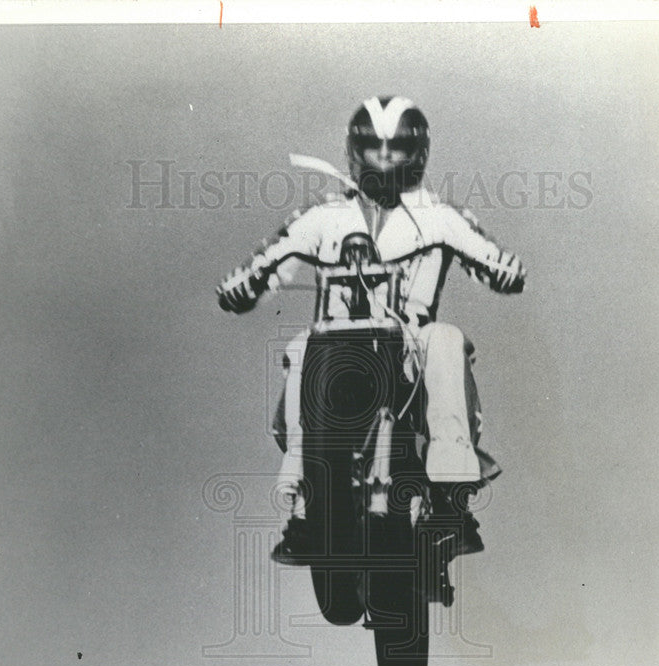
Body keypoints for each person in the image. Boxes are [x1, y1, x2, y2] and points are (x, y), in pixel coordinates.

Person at [217, 96, 526, 563]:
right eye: (372, 147)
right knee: (302, 346)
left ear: (417, 153)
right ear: (353, 150)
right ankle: (304, 500)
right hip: (338, 337)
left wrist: (505, 269)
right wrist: (243, 285)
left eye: (397, 147)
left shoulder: (440, 216)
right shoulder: (323, 216)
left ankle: (449, 497)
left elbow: (489, 258)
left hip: (410, 344)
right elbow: (271, 258)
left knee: (444, 338)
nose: (384, 158)